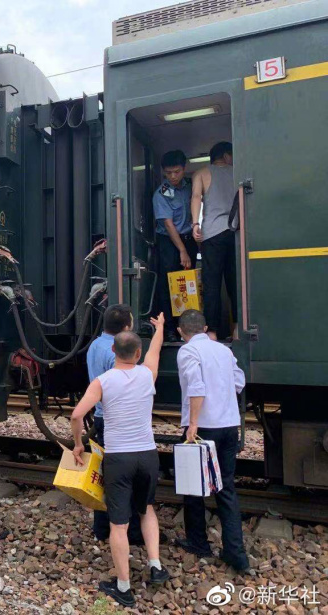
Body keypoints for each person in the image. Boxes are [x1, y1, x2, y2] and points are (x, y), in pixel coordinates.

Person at [70, 315, 169, 608]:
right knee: (146, 509)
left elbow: (77, 415)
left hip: (119, 459)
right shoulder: (146, 374)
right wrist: (160, 328)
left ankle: (124, 586)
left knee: (119, 524)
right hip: (148, 455)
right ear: (137, 354)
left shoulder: (103, 381)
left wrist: (78, 444)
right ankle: (155, 565)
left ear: (112, 351)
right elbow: (156, 350)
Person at [175, 309, 249, 571]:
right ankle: (235, 553)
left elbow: (196, 387)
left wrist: (192, 423)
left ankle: (198, 543)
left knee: (194, 488)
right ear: (205, 328)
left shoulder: (187, 352)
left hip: (204, 427)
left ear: (181, 331)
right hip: (229, 425)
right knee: (226, 488)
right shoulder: (223, 350)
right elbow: (239, 381)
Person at [86, 304, 143, 544]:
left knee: (104, 475)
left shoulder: (93, 347)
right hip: (114, 420)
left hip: (100, 416)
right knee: (123, 479)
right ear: (126, 328)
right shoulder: (115, 354)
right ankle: (131, 532)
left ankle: (101, 528)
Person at [191, 141, 237, 340]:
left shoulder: (201, 173)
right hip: (235, 232)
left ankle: (211, 333)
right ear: (226, 156)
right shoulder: (239, 172)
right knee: (235, 284)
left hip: (211, 235)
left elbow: (195, 197)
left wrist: (195, 224)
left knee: (212, 285)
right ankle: (237, 330)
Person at [153, 150, 198, 341]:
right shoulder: (161, 194)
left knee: (188, 286)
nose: (172, 176)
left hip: (188, 238)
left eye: (177, 172)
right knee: (169, 285)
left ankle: (187, 330)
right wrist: (182, 251)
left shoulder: (190, 187)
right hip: (169, 243)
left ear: (184, 169)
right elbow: (168, 224)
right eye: (168, 172)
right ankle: (170, 330)